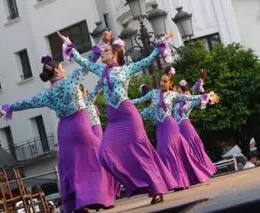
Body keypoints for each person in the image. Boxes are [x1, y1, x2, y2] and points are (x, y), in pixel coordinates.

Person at [58, 32, 178, 204]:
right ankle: (136, 183)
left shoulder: (126, 69)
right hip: (114, 120)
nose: (103, 54)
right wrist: (68, 43)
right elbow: (82, 61)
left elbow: (147, 59)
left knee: (141, 154)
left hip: (129, 116)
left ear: (114, 54)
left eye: (106, 51)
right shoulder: (101, 70)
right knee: (104, 153)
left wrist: (161, 44)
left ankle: (156, 189)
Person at [0, 57, 117, 213]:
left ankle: (78, 203)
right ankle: (96, 197)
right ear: (56, 70)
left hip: (64, 131)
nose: (64, 68)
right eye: (62, 66)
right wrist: (98, 48)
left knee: (71, 167)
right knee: (98, 156)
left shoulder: (47, 94)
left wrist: (8, 107)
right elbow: (87, 63)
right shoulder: (70, 81)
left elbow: (27, 102)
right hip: (80, 126)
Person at [132, 67, 219, 189]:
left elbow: (190, 97)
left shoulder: (173, 95)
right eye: (161, 81)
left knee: (169, 150)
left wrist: (205, 96)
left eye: (165, 81)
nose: (162, 83)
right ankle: (176, 181)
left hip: (170, 125)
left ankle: (180, 182)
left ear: (170, 83)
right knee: (162, 153)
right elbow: (140, 100)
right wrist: (124, 102)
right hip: (160, 128)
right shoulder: (153, 93)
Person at [173, 70, 217, 176]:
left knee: (194, 146)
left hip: (185, 125)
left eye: (184, 88)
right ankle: (190, 174)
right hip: (175, 128)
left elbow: (197, 92)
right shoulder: (174, 98)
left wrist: (210, 99)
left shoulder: (190, 100)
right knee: (182, 150)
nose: (182, 90)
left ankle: (204, 170)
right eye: (181, 88)